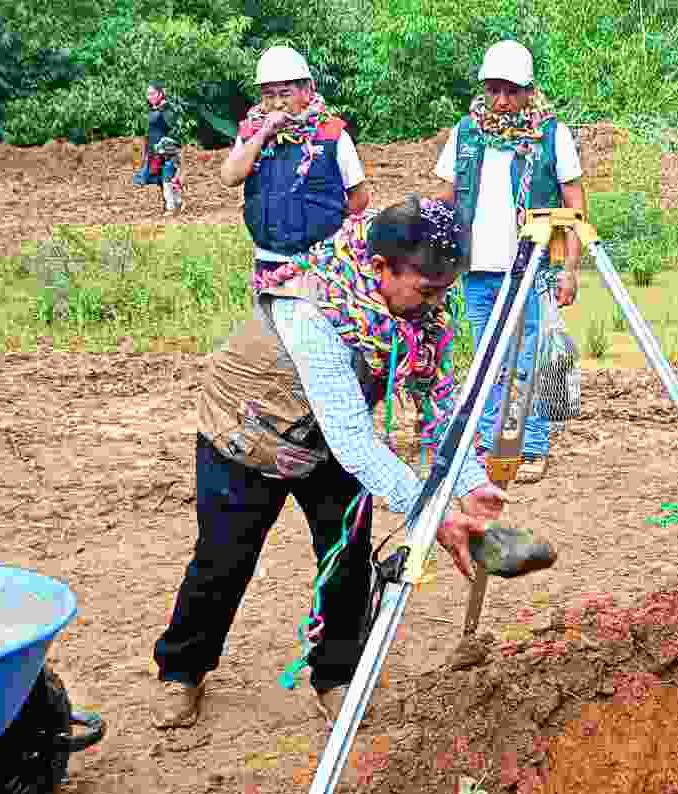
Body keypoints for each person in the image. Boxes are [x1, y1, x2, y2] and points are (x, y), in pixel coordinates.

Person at [152, 197, 507, 730]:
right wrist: (430, 514)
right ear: (380, 267)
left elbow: (437, 402)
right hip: (246, 435)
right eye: (426, 290)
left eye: (444, 290)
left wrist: (472, 480)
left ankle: (334, 676)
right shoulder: (313, 310)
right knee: (224, 560)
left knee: (348, 558)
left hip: (326, 442)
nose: (436, 303)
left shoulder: (418, 314)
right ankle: (183, 670)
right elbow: (355, 442)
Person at [432, 39, 587, 485]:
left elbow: (575, 207)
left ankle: (533, 446)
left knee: (530, 359)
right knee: (486, 358)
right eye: (494, 90)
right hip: (477, 268)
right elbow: (444, 200)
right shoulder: (465, 133)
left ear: (529, 90)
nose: (501, 101)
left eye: (511, 91)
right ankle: (490, 443)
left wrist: (569, 269)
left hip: (532, 267)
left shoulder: (552, 135)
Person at [222, 46, 370, 280]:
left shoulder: (332, 134)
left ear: (307, 91)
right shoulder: (251, 133)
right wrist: (264, 133)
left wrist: (327, 234)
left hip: (321, 262)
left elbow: (360, 198)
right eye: (269, 95)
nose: (278, 103)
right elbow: (230, 177)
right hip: (268, 259)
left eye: (285, 93)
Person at [133, 82, 183, 213]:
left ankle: (172, 207)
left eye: (152, 93)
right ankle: (175, 203)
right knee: (159, 178)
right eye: (148, 94)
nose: (149, 96)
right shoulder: (154, 110)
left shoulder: (167, 110)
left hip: (166, 150)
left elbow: (175, 130)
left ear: (161, 93)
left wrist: (165, 145)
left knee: (167, 177)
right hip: (153, 151)